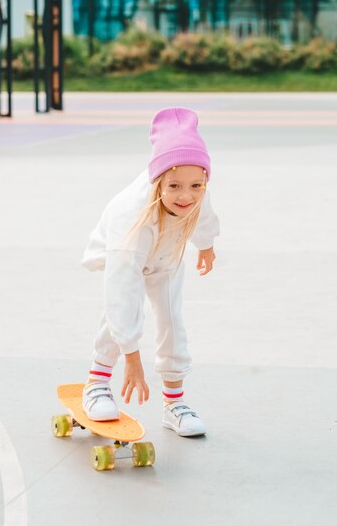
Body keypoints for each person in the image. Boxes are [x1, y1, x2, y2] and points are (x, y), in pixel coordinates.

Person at [80, 107, 219, 437]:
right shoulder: (131, 221)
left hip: (165, 256)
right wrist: (131, 356)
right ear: (158, 183)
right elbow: (121, 294)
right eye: (174, 186)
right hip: (127, 252)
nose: (186, 196)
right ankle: (96, 382)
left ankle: (174, 404)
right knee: (122, 311)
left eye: (196, 185)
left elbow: (204, 213)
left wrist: (206, 244)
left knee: (172, 319)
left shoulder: (194, 190)